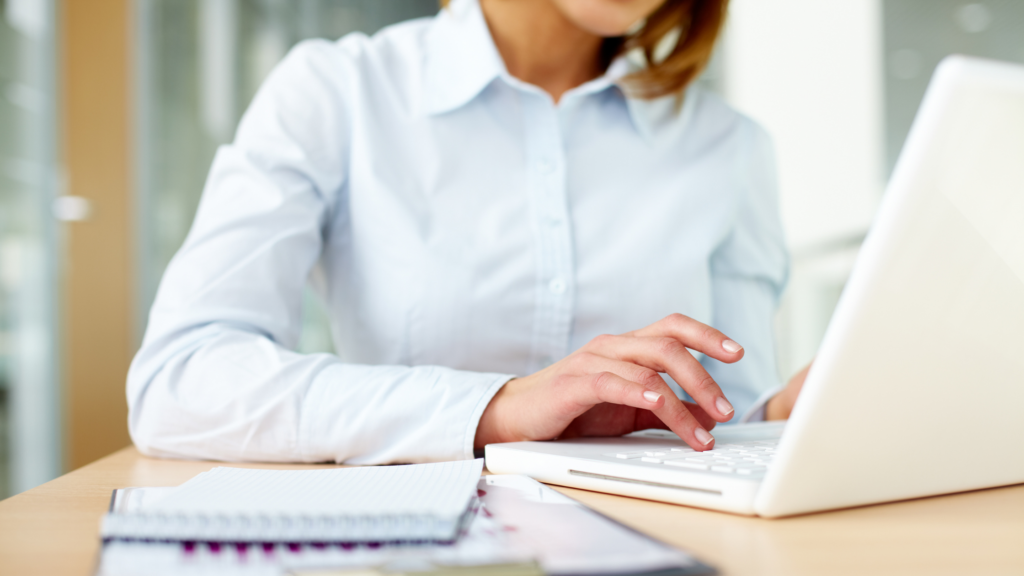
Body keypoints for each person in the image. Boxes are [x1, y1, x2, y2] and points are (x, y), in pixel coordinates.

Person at [127, 0, 808, 465]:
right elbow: (179, 383)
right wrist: (494, 408)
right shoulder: (338, 91)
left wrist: (792, 409)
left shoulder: (731, 146)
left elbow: (730, 415)